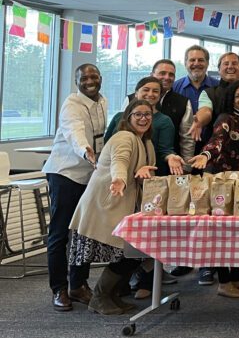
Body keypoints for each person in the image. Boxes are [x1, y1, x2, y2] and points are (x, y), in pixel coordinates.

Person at [66, 99, 158, 315]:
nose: (143, 118)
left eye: (147, 114)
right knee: (129, 254)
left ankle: (110, 295)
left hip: (123, 208)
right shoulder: (124, 137)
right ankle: (99, 297)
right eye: (138, 114)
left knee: (135, 253)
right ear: (128, 117)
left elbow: (142, 172)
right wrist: (119, 179)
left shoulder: (146, 141)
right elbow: (120, 160)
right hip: (105, 206)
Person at [43, 64, 107, 312]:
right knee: (60, 234)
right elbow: (74, 133)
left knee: (84, 232)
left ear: (100, 78)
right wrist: (88, 152)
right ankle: (59, 288)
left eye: (93, 76)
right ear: (76, 81)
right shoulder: (72, 104)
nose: (89, 81)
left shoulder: (102, 101)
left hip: (89, 174)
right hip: (65, 173)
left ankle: (78, 285)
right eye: (84, 78)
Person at [188, 80, 239, 299]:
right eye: (238, 96)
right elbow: (216, 141)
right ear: (231, 98)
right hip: (224, 181)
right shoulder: (225, 119)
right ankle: (224, 281)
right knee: (223, 234)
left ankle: (237, 278)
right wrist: (205, 155)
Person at [105, 77, 184, 176]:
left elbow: (165, 150)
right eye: (146, 90)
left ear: (160, 96)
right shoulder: (118, 117)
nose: (150, 94)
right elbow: (107, 143)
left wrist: (171, 157)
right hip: (114, 172)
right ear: (136, 93)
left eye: (155, 91)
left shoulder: (165, 121)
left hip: (146, 175)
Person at [190, 52, 239, 144]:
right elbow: (206, 111)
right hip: (217, 149)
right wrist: (200, 121)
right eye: (226, 64)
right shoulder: (210, 93)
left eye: (234, 63)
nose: (230, 66)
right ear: (219, 70)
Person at [147, 59, 193, 158]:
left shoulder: (183, 103)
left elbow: (187, 139)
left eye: (171, 74)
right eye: (162, 73)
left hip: (171, 164)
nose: (167, 77)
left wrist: (186, 166)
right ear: (151, 75)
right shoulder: (131, 99)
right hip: (137, 162)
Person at [173, 44, 218, 113]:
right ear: (185, 63)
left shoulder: (218, 86)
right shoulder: (175, 87)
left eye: (200, 60)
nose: (196, 63)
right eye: (192, 60)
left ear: (207, 63)